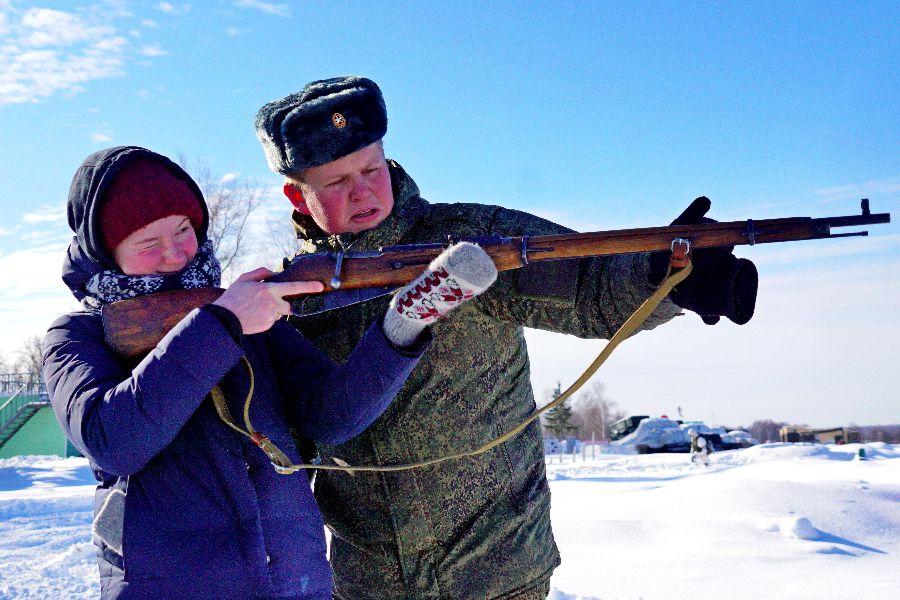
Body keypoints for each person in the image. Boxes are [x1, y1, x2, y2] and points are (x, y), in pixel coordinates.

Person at [254, 76, 758, 600]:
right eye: (337, 182)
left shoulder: (472, 239)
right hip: (370, 582)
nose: (362, 191)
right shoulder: (291, 294)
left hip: (498, 568)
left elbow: (587, 285)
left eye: (371, 169)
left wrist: (662, 275)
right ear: (297, 193)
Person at [41, 145, 496, 600]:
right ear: (107, 254)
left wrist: (402, 325)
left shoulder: (247, 313)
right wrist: (222, 325)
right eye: (149, 243)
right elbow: (113, 440)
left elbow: (331, 416)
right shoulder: (78, 336)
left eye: (183, 230)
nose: (177, 253)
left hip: (294, 584)